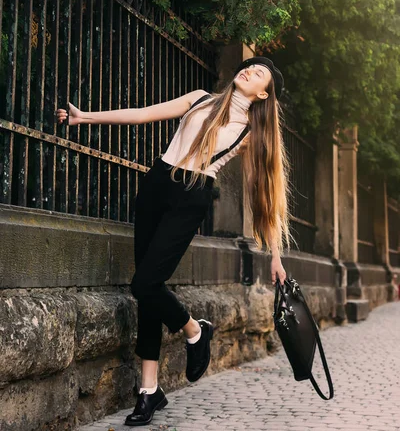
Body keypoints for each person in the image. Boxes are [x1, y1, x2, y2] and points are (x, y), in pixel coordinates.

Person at [55, 56, 292, 427]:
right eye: (248, 66)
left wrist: (276, 257)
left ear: (263, 92)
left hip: (192, 196)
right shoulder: (200, 98)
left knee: (144, 284)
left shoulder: (251, 132)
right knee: (150, 290)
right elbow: (143, 113)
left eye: (258, 72)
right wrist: (85, 117)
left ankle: (196, 331)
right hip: (156, 185)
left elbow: (267, 199)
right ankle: (149, 392)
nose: (248, 70)